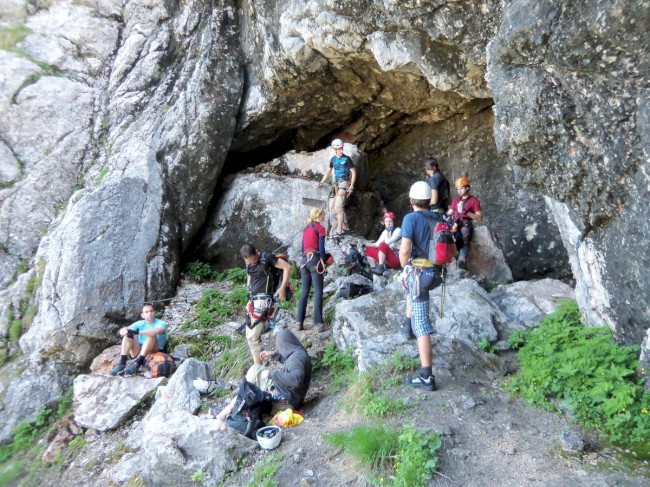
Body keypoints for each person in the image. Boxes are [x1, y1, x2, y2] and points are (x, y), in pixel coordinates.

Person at [399, 181, 445, 391]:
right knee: (413, 294)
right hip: (435, 273)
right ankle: (407, 325)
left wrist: (403, 266)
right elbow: (450, 253)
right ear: (429, 201)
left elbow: (405, 250)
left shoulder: (411, 218)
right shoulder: (439, 219)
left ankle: (426, 376)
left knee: (423, 326)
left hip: (419, 273)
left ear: (411, 200)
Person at [216, 329, 311, 420]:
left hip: (284, 402)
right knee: (253, 379)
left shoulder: (297, 360)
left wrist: (271, 374)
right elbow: (290, 363)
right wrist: (275, 355)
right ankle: (241, 396)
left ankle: (226, 412)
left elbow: (296, 380)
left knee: (254, 371)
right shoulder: (298, 353)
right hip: (288, 397)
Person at [240, 243, 291, 364]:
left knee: (253, 337)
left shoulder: (267, 257)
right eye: (249, 261)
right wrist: (249, 287)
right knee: (250, 336)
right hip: (253, 300)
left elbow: (287, 267)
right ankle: (258, 367)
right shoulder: (248, 262)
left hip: (263, 301)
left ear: (256, 252)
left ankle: (258, 369)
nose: (252, 262)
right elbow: (250, 274)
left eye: (254, 260)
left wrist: (282, 288)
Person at [110, 303, 168, 376]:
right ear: (142, 315)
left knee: (151, 335)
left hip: (154, 353)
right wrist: (128, 332)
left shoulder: (162, 323)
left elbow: (156, 331)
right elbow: (122, 331)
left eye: (151, 311)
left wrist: (137, 332)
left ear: (154, 312)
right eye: (146, 312)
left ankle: (138, 363)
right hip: (138, 353)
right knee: (128, 336)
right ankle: (122, 363)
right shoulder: (140, 323)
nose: (149, 313)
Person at [296, 207, 328, 332]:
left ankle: (299, 322)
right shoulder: (320, 228)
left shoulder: (306, 228)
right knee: (318, 291)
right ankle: (319, 323)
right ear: (319, 215)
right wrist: (324, 261)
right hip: (314, 259)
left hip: (304, 261)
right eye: (323, 214)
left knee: (304, 291)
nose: (324, 216)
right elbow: (321, 248)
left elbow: (302, 248)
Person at [318, 139, 356, 236]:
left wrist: (351, 186)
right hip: (335, 184)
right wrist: (321, 182)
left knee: (339, 207)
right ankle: (344, 226)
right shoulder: (333, 159)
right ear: (335, 150)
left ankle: (339, 230)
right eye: (338, 149)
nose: (341, 150)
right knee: (331, 209)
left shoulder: (347, 159)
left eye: (341, 148)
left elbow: (353, 172)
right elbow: (328, 172)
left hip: (344, 183)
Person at [447, 177, 482, 267]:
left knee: (464, 240)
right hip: (455, 223)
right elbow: (449, 213)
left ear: (467, 188)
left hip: (465, 223)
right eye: (458, 189)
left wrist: (466, 212)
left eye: (461, 188)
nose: (459, 191)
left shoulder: (474, 201)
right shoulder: (456, 201)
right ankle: (448, 259)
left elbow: (479, 217)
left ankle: (462, 261)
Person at [365, 211, 402, 275]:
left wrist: (387, 231)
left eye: (390, 221)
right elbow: (377, 244)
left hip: (396, 259)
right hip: (387, 259)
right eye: (386, 222)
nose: (388, 223)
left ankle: (380, 268)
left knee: (383, 245)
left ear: (393, 222)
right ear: (384, 223)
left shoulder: (398, 230)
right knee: (368, 249)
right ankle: (373, 269)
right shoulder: (385, 231)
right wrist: (364, 244)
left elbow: (387, 242)